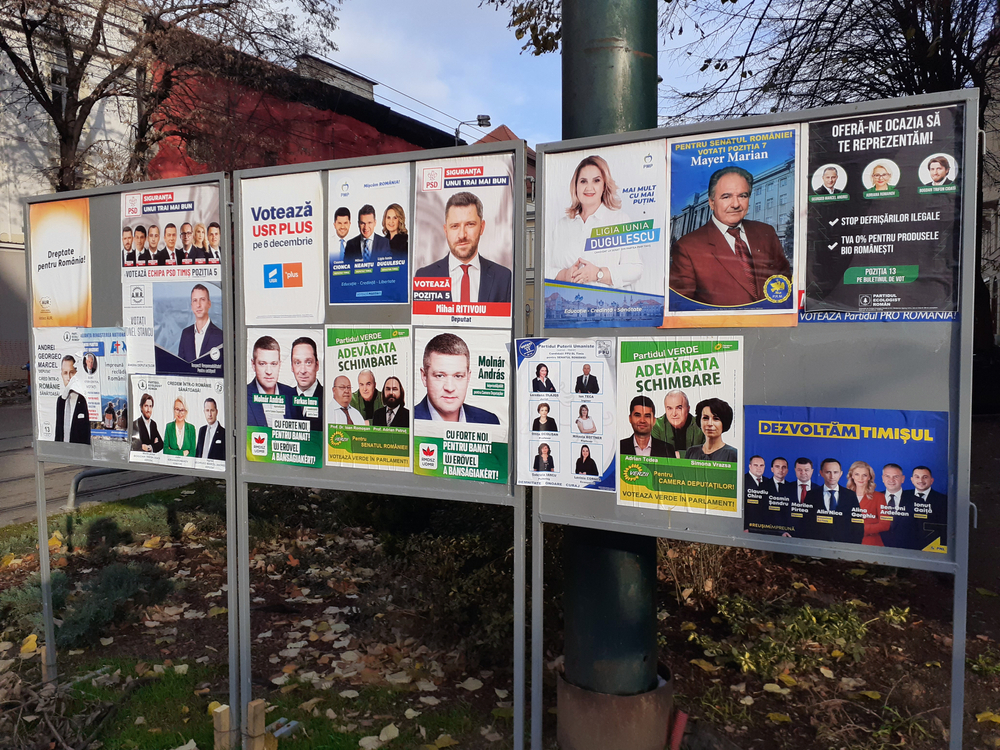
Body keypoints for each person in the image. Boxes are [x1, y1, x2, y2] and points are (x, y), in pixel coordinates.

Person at [669, 166, 792, 306]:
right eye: (726, 197)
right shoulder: (687, 247)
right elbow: (680, 306)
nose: (736, 204)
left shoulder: (766, 232)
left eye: (742, 196)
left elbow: (784, 281)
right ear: (711, 202)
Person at [548, 155, 642, 290]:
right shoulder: (561, 225)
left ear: (604, 185)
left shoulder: (620, 221)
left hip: (607, 307)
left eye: (596, 180)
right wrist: (564, 275)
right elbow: (543, 268)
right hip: (567, 307)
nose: (589, 187)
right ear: (575, 186)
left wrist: (598, 273)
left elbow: (635, 269)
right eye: (583, 181)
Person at [414, 192, 512, 304]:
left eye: (470, 224)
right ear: (446, 231)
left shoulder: (503, 278)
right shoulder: (425, 277)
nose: (462, 235)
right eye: (454, 226)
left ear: (482, 227)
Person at [414, 333, 500, 424]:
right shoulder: (405, 422)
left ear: (468, 377)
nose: (450, 388)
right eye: (440, 376)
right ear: (424, 377)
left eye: (458, 376)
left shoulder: (489, 421)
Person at [807, 458, 862, 544]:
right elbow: (807, 523)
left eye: (835, 472)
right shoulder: (811, 495)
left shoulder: (850, 495)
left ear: (841, 474)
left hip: (844, 547)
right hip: (817, 546)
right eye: (828, 472)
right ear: (821, 473)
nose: (832, 476)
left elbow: (858, 524)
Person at [246, 336, 295, 428]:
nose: (269, 371)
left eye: (273, 364)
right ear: (253, 365)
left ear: (279, 364)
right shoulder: (243, 395)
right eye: (262, 364)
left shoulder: (291, 394)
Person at [898, 465, 948, 549]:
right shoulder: (901, 496)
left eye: (925, 477)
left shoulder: (943, 500)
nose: (921, 480)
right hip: (905, 544)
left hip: (931, 545)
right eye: (917, 477)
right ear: (912, 480)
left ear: (931, 480)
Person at [875, 463, 918, 549]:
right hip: (877, 550)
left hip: (908, 551)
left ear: (902, 479)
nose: (891, 480)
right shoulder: (872, 498)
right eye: (887, 476)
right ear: (883, 478)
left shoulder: (916, 500)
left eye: (896, 476)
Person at [845, 460, 889, 546]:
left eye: (864, 475)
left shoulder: (879, 497)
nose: (860, 479)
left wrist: (862, 529)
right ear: (852, 476)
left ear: (869, 477)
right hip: (848, 542)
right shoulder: (844, 495)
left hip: (870, 543)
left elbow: (885, 524)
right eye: (857, 474)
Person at [652, 390, 705, 458]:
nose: (674, 414)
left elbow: (708, 454)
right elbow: (655, 456)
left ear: (688, 409)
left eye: (679, 408)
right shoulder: (657, 426)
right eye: (669, 408)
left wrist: (679, 455)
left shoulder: (700, 425)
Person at [177, 284, 224, 362]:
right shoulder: (186, 334)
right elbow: (180, 366)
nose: (198, 305)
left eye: (202, 299)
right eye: (195, 300)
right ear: (192, 306)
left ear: (209, 303)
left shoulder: (220, 336)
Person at [54, 355, 90, 444]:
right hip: (63, 452)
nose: (69, 377)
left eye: (72, 372)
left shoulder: (84, 400)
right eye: (65, 373)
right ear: (61, 375)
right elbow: (58, 431)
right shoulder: (60, 400)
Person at [289, 336, 323, 432]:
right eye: (297, 362)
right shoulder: (285, 397)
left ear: (317, 365)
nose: (302, 370)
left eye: (308, 362)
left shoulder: (329, 398)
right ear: (292, 366)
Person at [790, 457, 820, 534]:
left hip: (813, 533)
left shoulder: (820, 491)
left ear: (812, 471)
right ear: (795, 470)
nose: (803, 473)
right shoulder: (786, 488)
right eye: (799, 470)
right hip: (789, 533)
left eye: (806, 470)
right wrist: (782, 531)